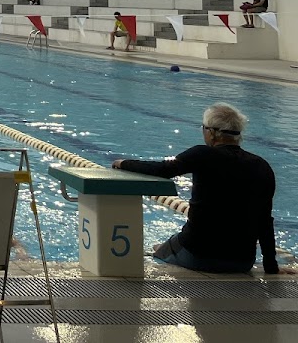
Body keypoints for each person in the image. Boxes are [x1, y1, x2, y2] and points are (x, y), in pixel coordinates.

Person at [112, 103, 285, 274]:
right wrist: (271, 267)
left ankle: (165, 250)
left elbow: (163, 169)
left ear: (211, 133)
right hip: (242, 262)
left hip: (198, 255)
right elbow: (265, 221)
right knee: (169, 245)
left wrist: (124, 163)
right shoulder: (262, 166)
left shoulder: (202, 154)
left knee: (159, 249)